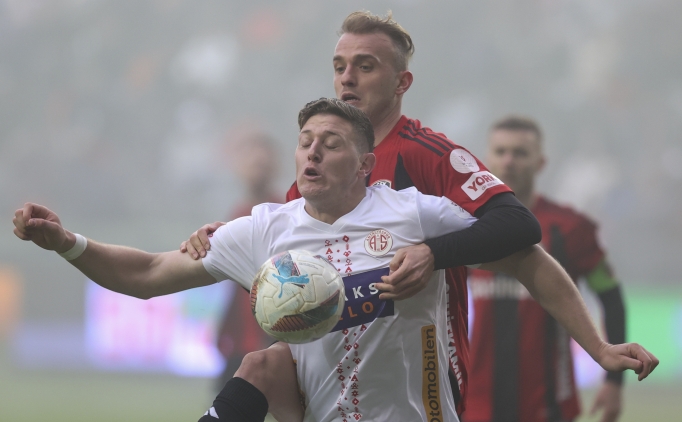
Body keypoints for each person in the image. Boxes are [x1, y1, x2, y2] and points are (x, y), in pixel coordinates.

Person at [15, 98, 658, 422]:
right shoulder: (266, 228)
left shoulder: (415, 213)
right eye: (304, 142)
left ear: (366, 163)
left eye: (329, 142)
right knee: (263, 363)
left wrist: (600, 350)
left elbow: (526, 255)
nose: (312, 153)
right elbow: (147, 275)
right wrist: (68, 243)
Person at [182, 11, 542, 420]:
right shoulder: (311, 183)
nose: (347, 78)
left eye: (365, 66)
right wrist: (227, 237)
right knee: (262, 364)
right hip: (334, 388)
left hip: (420, 378)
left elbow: (522, 236)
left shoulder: (428, 155)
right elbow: (284, 244)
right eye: (339, 67)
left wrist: (432, 253)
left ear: (402, 82)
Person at [464, 116, 628, 422]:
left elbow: (611, 297)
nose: (509, 161)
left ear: (541, 163)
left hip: (549, 403)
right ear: (486, 161)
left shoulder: (571, 228)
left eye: (520, 153)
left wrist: (614, 381)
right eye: (500, 152)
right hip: (474, 404)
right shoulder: (466, 224)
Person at [214, 132, 281, 391]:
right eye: (252, 163)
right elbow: (234, 284)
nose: (257, 169)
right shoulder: (239, 213)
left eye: (262, 164)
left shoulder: (283, 211)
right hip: (241, 341)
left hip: (274, 336)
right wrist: (224, 329)